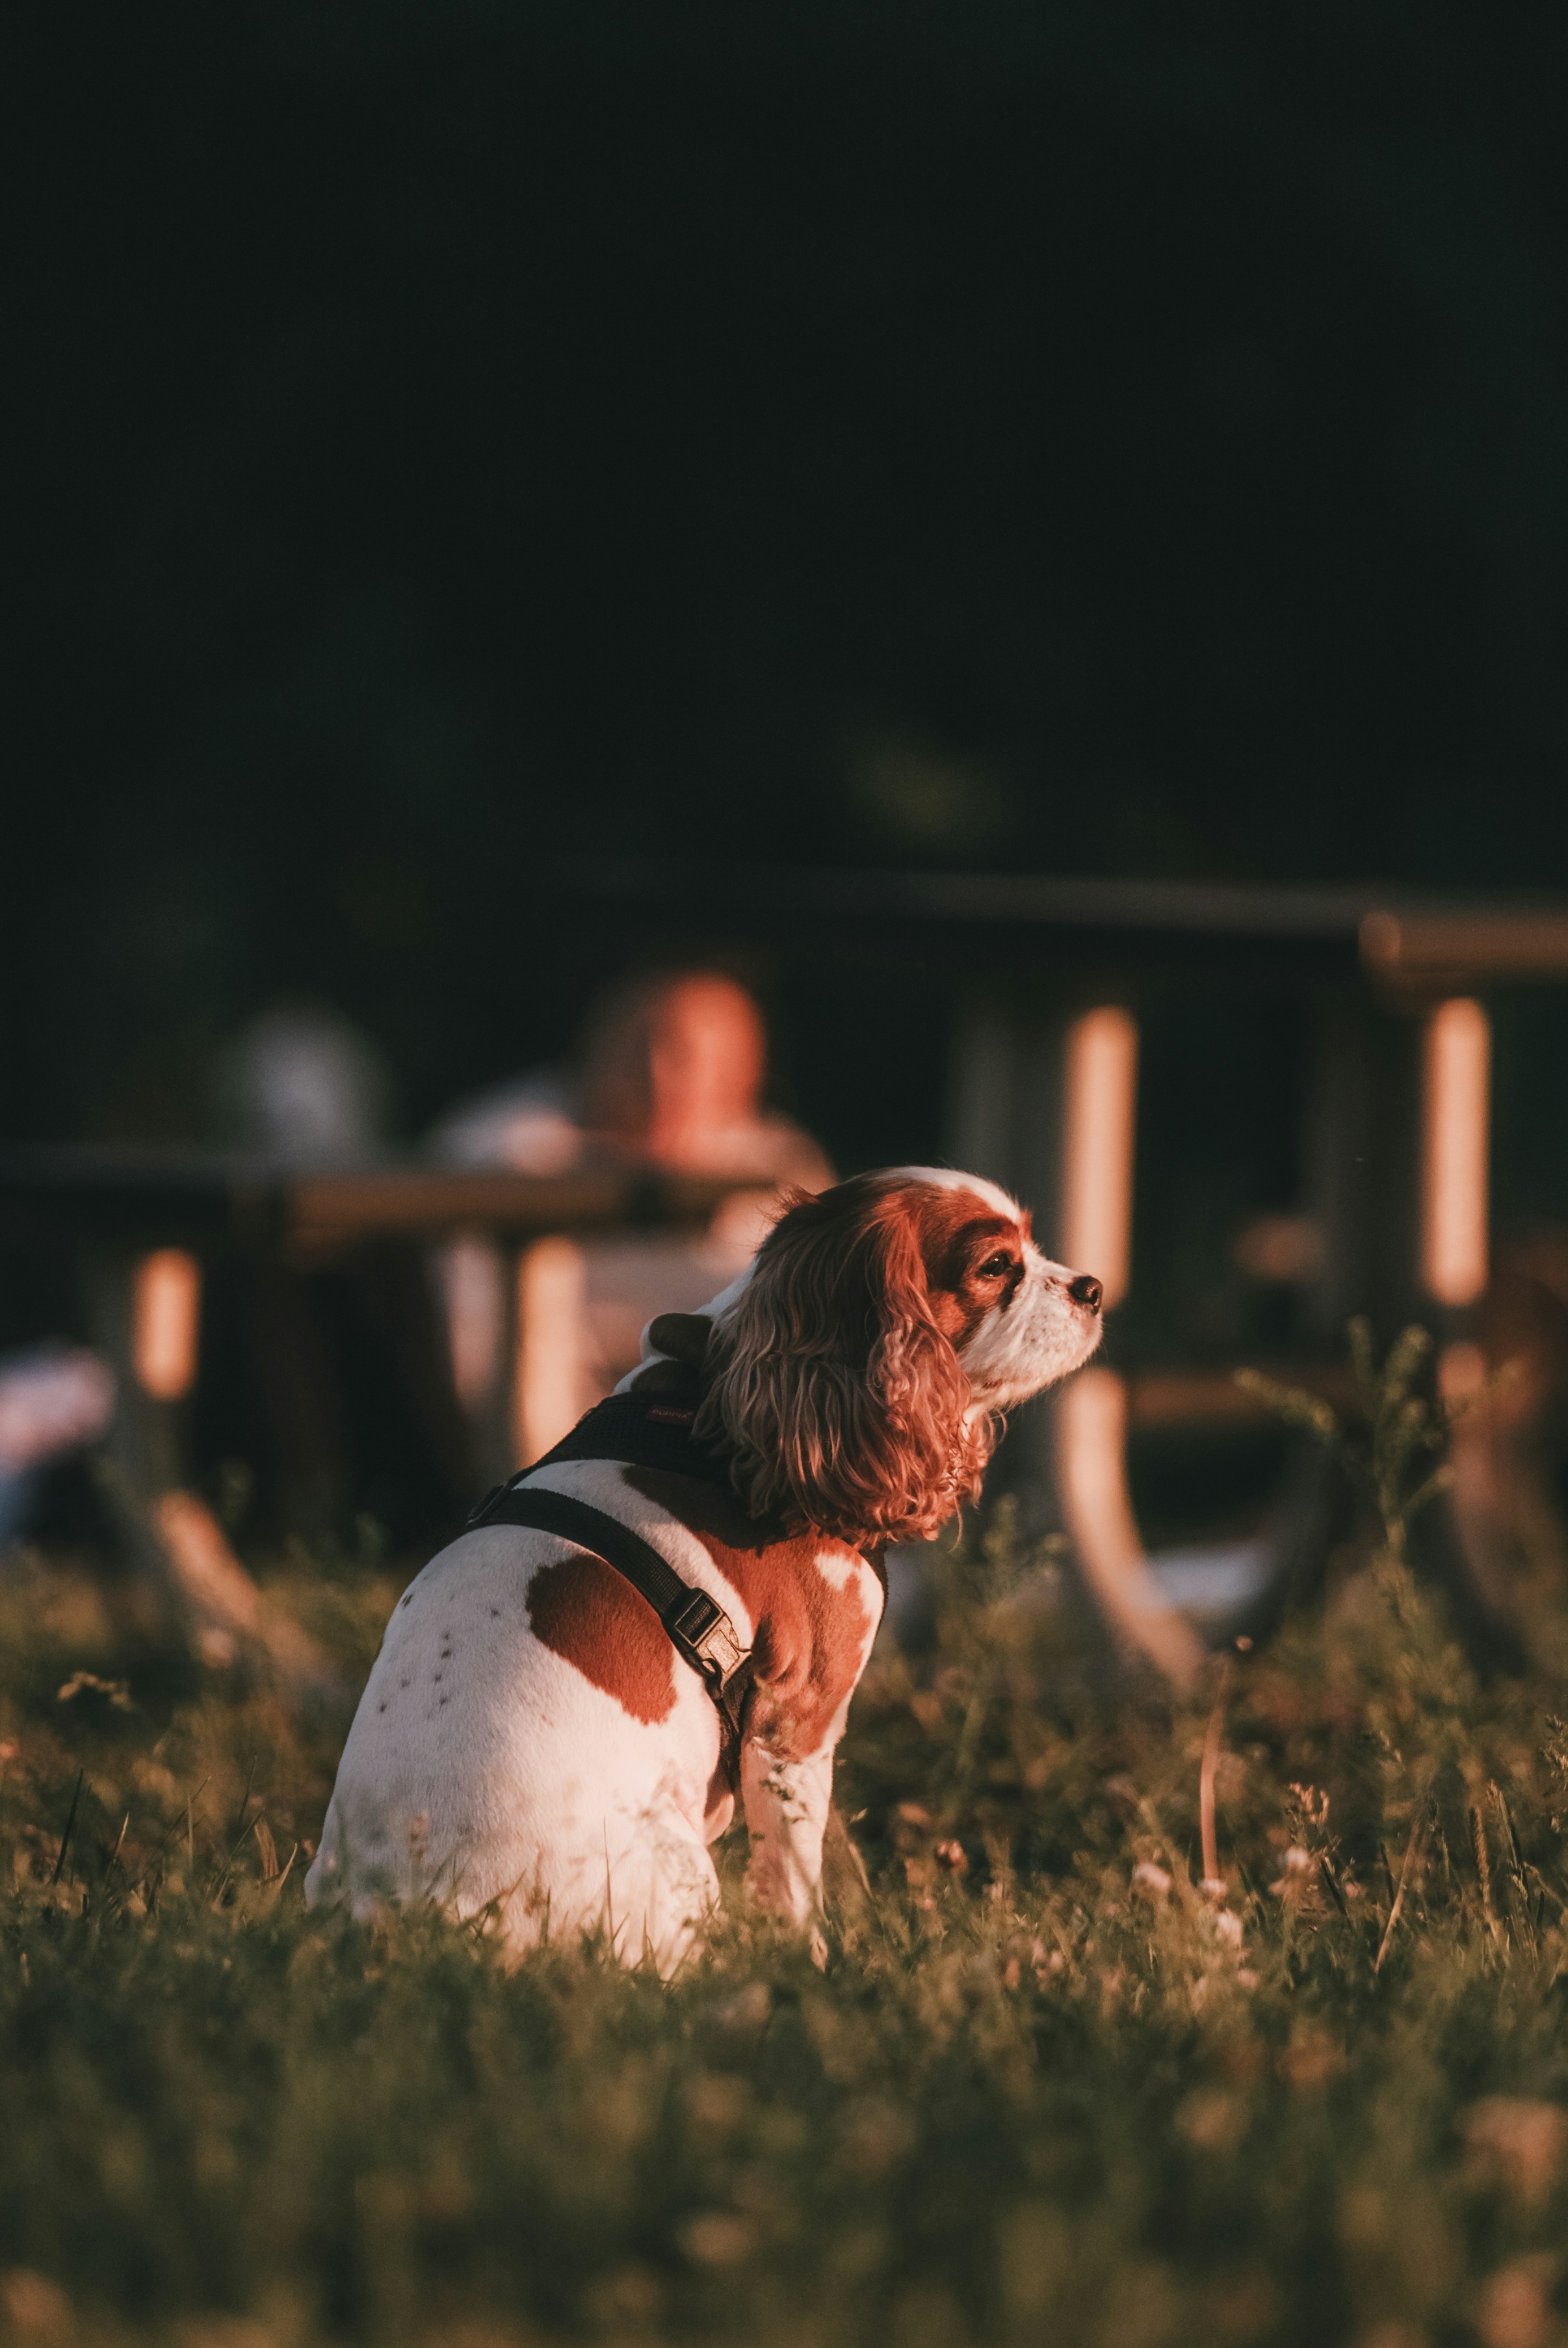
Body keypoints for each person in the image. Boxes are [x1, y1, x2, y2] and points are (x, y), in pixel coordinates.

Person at [430, 971, 833, 1446]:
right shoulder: (507, 1153)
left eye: (699, 1059)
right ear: (595, 1049)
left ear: (746, 1076)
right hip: (544, 1444)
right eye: (639, 1048)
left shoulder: (775, 1174)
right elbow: (471, 1351)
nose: (662, 1078)